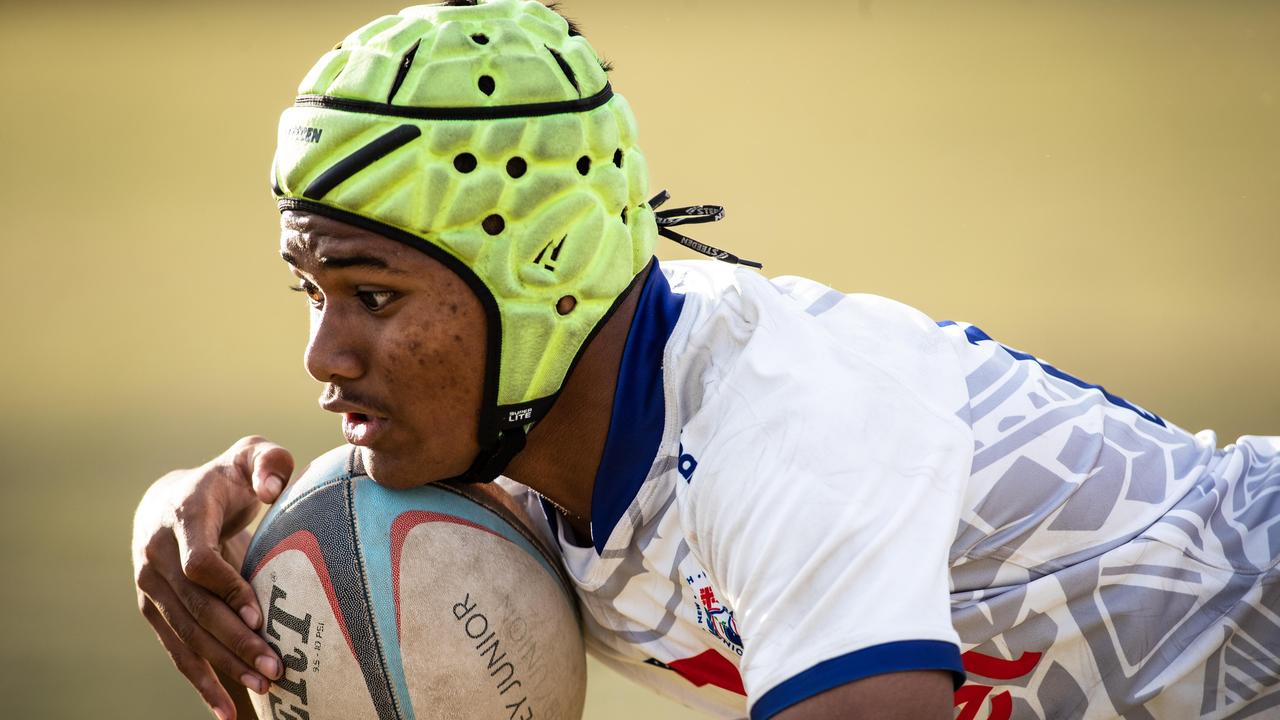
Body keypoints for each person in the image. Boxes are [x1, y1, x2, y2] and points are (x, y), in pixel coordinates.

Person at [130, 1, 1280, 719]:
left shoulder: (788, 430)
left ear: (541, 271)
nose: (321, 355)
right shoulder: (523, 439)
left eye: (370, 295)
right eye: (313, 292)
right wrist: (177, 511)